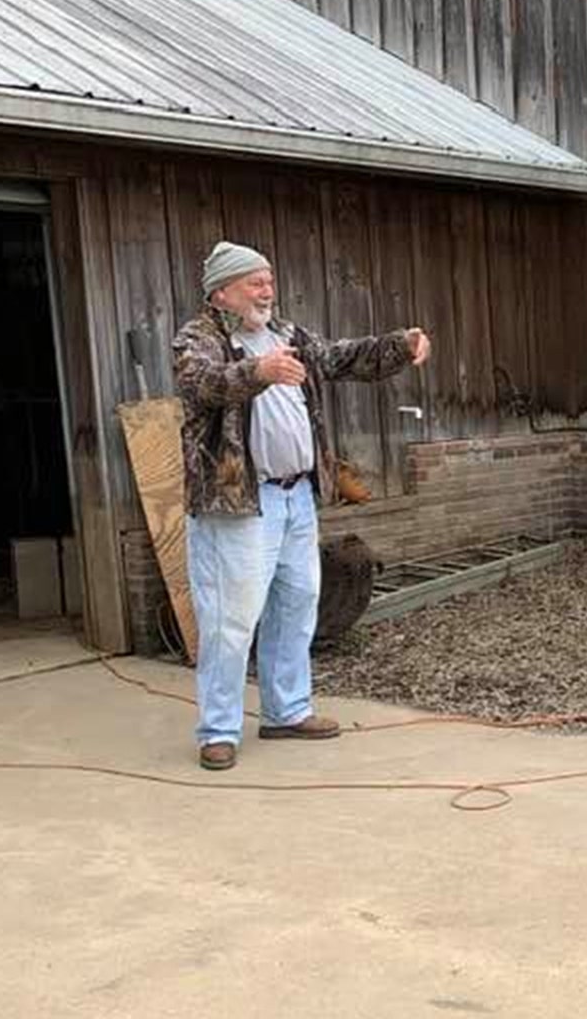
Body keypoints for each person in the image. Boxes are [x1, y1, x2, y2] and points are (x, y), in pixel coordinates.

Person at [175, 240, 431, 771]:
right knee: (229, 619)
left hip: (296, 497)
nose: (266, 289)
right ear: (221, 292)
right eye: (254, 281)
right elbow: (203, 386)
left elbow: (339, 357)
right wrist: (259, 372)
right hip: (238, 503)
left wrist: (399, 346)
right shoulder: (199, 339)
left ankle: (286, 711)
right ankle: (218, 730)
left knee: (296, 605)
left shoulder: (287, 335)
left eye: (269, 279)